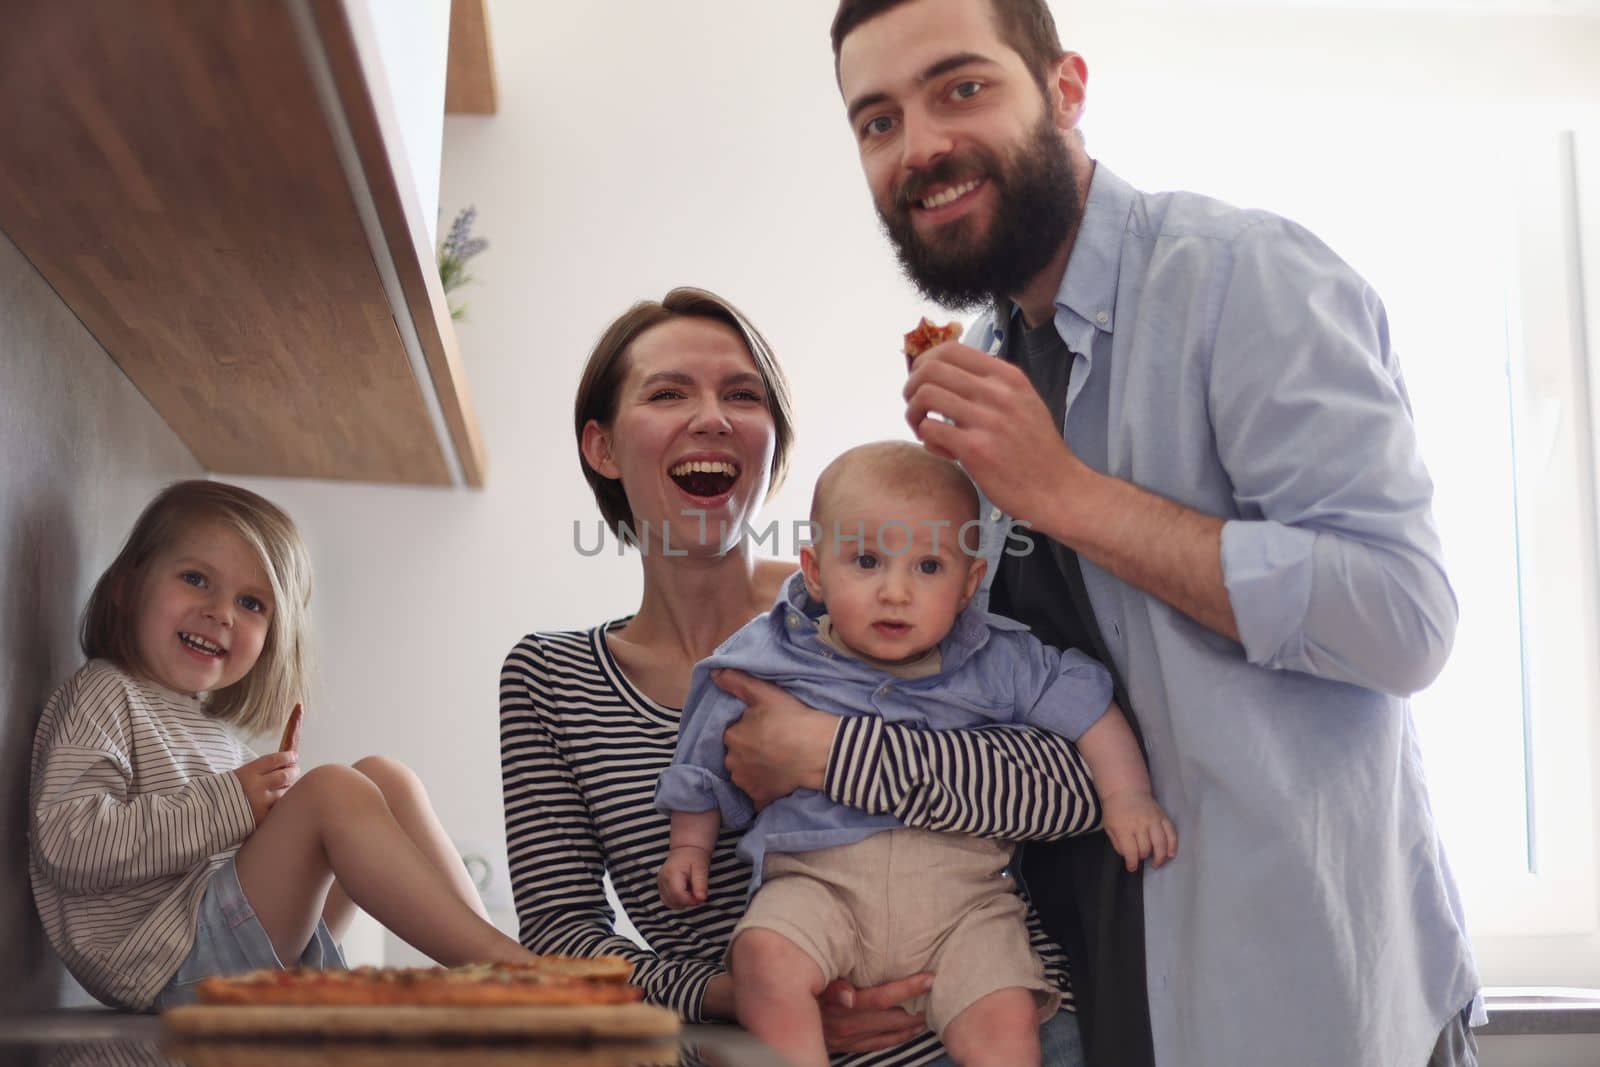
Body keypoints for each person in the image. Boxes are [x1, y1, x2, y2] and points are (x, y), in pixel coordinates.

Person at [693, 2, 1480, 1065]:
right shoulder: (988, 360)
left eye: (960, 87)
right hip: (1086, 1008)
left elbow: (1404, 618)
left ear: (1064, 89)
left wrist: (1063, 491)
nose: (919, 147)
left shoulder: (1245, 277)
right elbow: (1018, 711)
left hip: (1296, 1004)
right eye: (876, 122)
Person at [500, 287, 1109, 1066]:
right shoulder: (550, 679)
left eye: (742, 394)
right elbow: (561, 938)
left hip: (1005, 1030)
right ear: (603, 447)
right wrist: (737, 995)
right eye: (668, 391)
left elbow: (1079, 790)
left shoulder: (901, 609)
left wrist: (826, 752)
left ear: (771, 444)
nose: (713, 416)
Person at [654, 441, 1175, 1067]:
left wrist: (1128, 795)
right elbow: (707, 743)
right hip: (820, 885)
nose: (896, 592)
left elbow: (1090, 711)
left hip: (966, 900)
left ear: (969, 583)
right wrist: (689, 842)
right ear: (815, 571)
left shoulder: (999, 658)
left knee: (1005, 1016)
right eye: (867, 561)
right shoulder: (772, 651)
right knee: (763, 956)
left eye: (929, 568)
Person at [29, 480, 534, 1011]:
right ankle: (510, 971)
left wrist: (270, 819)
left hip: (214, 944)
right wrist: (236, 805)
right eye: (196, 579)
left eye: (251, 603)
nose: (221, 612)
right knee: (332, 791)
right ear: (127, 587)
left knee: (384, 777)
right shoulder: (104, 693)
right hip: (163, 962)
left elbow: (223, 847)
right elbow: (69, 843)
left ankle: (494, 966)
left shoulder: (215, 734)